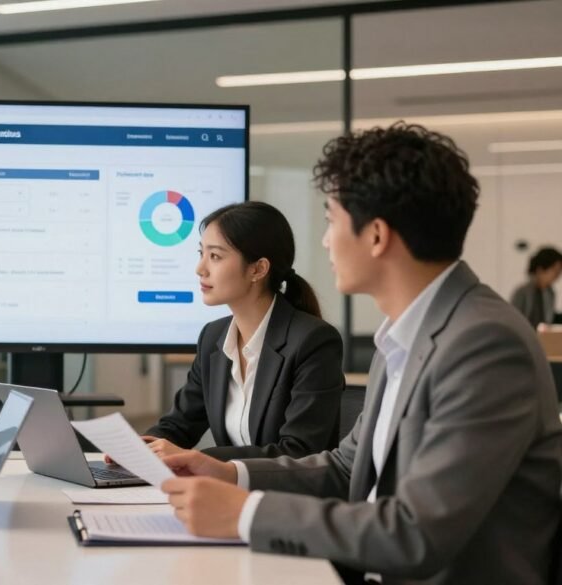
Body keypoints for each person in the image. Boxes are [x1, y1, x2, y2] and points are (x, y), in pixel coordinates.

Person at [160, 123, 562, 584]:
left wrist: (248, 513)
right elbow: (345, 467)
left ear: (375, 236)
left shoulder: (484, 343)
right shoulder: (405, 334)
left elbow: (416, 533)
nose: (327, 240)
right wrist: (230, 472)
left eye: (331, 220)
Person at [141, 201, 344, 462]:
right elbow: (178, 426)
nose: (200, 268)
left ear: (258, 269)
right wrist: (137, 449)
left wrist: (201, 460)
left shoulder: (313, 341)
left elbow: (299, 451)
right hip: (231, 495)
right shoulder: (213, 337)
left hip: (287, 498)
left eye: (215, 256)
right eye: (201, 253)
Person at [511, 246, 562, 328]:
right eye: (554, 270)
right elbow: (514, 320)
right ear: (540, 269)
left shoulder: (550, 292)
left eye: (559, 271)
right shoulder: (522, 292)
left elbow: (548, 319)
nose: (557, 275)